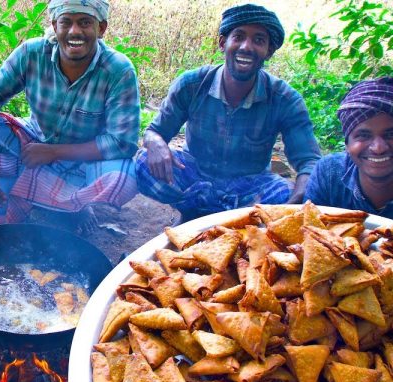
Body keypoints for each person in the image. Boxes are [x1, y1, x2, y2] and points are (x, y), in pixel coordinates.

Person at [0, 0, 140, 233]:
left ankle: (72, 206)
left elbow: (122, 142)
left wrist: (53, 152)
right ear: (54, 25)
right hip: (32, 146)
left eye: (85, 23)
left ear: (101, 28)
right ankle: (14, 197)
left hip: (83, 159)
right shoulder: (32, 52)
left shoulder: (118, 70)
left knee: (125, 178)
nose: (74, 31)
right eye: (66, 22)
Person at [135, 3, 322, 222]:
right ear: (223, 43)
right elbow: (155, 131)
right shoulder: (192, 84)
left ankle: (206, 215)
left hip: (250, 185)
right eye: (238, 37)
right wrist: (155, 143)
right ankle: (210, 215)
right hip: (195, 174)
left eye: (258, 40)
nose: (246, 47)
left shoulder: (285, 99)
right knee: (143, 163)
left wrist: (299, 197)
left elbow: (309, 161)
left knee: (287, 193)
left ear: (269, 51)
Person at [304, 77, 393, 216]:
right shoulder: (330, 173)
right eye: (364, 135)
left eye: (390, 135)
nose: (378, 148)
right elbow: (308, 228)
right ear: (347, 144)